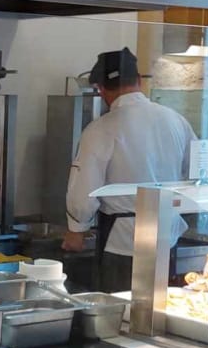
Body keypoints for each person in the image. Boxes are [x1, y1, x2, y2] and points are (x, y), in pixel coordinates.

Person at [62, 47, 198, 292]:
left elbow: (85, 188)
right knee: (160, 307)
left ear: (101, 89)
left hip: (122, 242)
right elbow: (197, 173)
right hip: (166, 236)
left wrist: (76, 231)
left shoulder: (101, 129)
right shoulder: (177, 121)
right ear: (139, 81)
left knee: (120, 309)